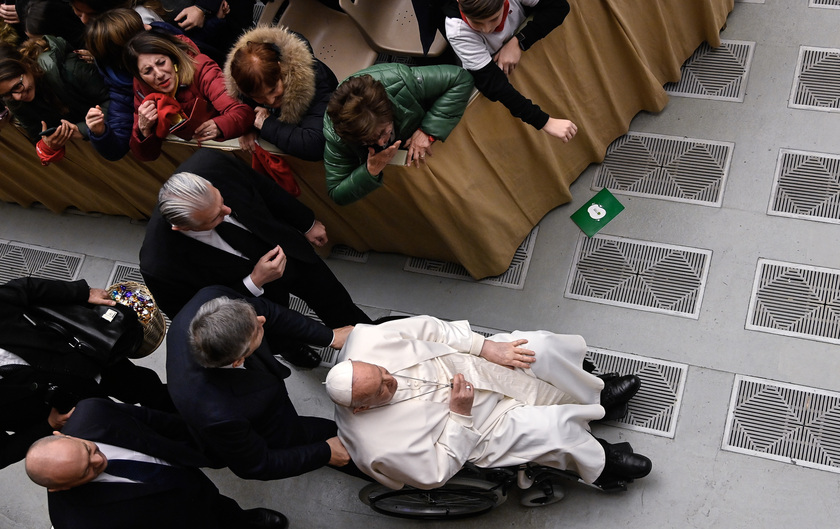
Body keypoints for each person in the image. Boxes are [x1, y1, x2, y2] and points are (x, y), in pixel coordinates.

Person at [325, 315, 652, 490]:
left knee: (539, 348)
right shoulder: (375, 445)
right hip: (481, 428)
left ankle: (596, 397)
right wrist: (459, 416)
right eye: (381, 390)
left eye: (382, 372)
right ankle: (603, 463)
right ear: (362, 408)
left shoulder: (366, 340)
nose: (391, 380)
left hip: (477, 365)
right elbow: (435, 473)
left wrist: (486, 348)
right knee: (551, 429)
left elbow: (434, 329)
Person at [139, 148, 372, 367]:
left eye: (221, 200)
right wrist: (253, 282)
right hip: (252, 304)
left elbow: (264, 189)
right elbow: (197, 317)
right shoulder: (159, 265)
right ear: (181, 228)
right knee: (278, 334)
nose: (228, 212)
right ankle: (291, 349)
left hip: (288, 250)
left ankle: (370, 342)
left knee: (335, 301)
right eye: (215, 218)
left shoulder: (212, 163)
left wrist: (306, 223)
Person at [165, 286, 352, 481]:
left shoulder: (210, 300)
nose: (262, 320)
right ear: (238, 361)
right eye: (257, 330)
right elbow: (258, 465)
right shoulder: (220, 414)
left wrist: (330, 337)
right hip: (264, 423)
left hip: (260, 390)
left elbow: (266, 310)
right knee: (323, 436)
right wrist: (326, 453)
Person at [25, 398, 289, 529]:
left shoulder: (93, 412)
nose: (99, 460)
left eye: (88, 449)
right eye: (86, 471)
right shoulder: (74, 521)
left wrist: (197, 447)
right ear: (60, 488)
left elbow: (153, 420)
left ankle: (242, 521)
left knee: (219, 506)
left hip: (188, 476)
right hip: (175, 522)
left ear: (63, 435)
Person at [0, 277, 172, 470]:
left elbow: (24, 289)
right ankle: (168, 453)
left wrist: (82, 293)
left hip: (85, 356)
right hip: (71, 415)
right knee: (126, 435)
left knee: (146, 388)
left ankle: (185, 420)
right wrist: (48, 426)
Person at [323, 63, 474, 205]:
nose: (381, 142)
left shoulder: (399, 80)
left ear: (390, 110)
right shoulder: (337, 135)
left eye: (383, 132)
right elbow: (337, 193)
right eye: (368, 141)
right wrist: (370, 170)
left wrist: (427, 131)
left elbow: (461, 78)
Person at [442, 0, 577, 141]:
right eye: (476, 23)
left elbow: (559, 7)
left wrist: (519, 41)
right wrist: (545, 122)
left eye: (493, 19)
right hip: (502, 85)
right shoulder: (457, 30)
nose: (487, 29)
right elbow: (494, 85)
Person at [124, 30, 254, 161]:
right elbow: (146, 156)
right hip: (193, 156)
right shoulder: (142, 90)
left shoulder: (200, 67)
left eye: (161, 63)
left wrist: (220, 126)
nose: (159, 74)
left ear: (172, 57)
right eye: (148, 71)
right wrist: (144, 131)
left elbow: (243, 113)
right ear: (140, 77)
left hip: (229, 151)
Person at [224, 25, 338, 162]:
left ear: (280, 68)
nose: (270, 101)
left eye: (273, 90)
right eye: (259, 97)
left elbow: (314, 144)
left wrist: (266, 125)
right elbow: (239, 106)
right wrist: (245, 126)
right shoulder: (241, 83)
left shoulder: (317, 81)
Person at [84, 8, 182, 161]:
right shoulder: (123, 89)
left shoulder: (173, 42)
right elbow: (117, 148)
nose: (149, 27)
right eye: (142, 31)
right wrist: (100, 132)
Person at [0, 36, 110, 165]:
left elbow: (117, 100)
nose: (18, 97)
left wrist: (82, 129)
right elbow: (37, 135)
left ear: (25, 64)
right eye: (7, 95)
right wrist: (48, 145)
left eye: (18, 86)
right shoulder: (14, 100)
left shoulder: (69, 67)